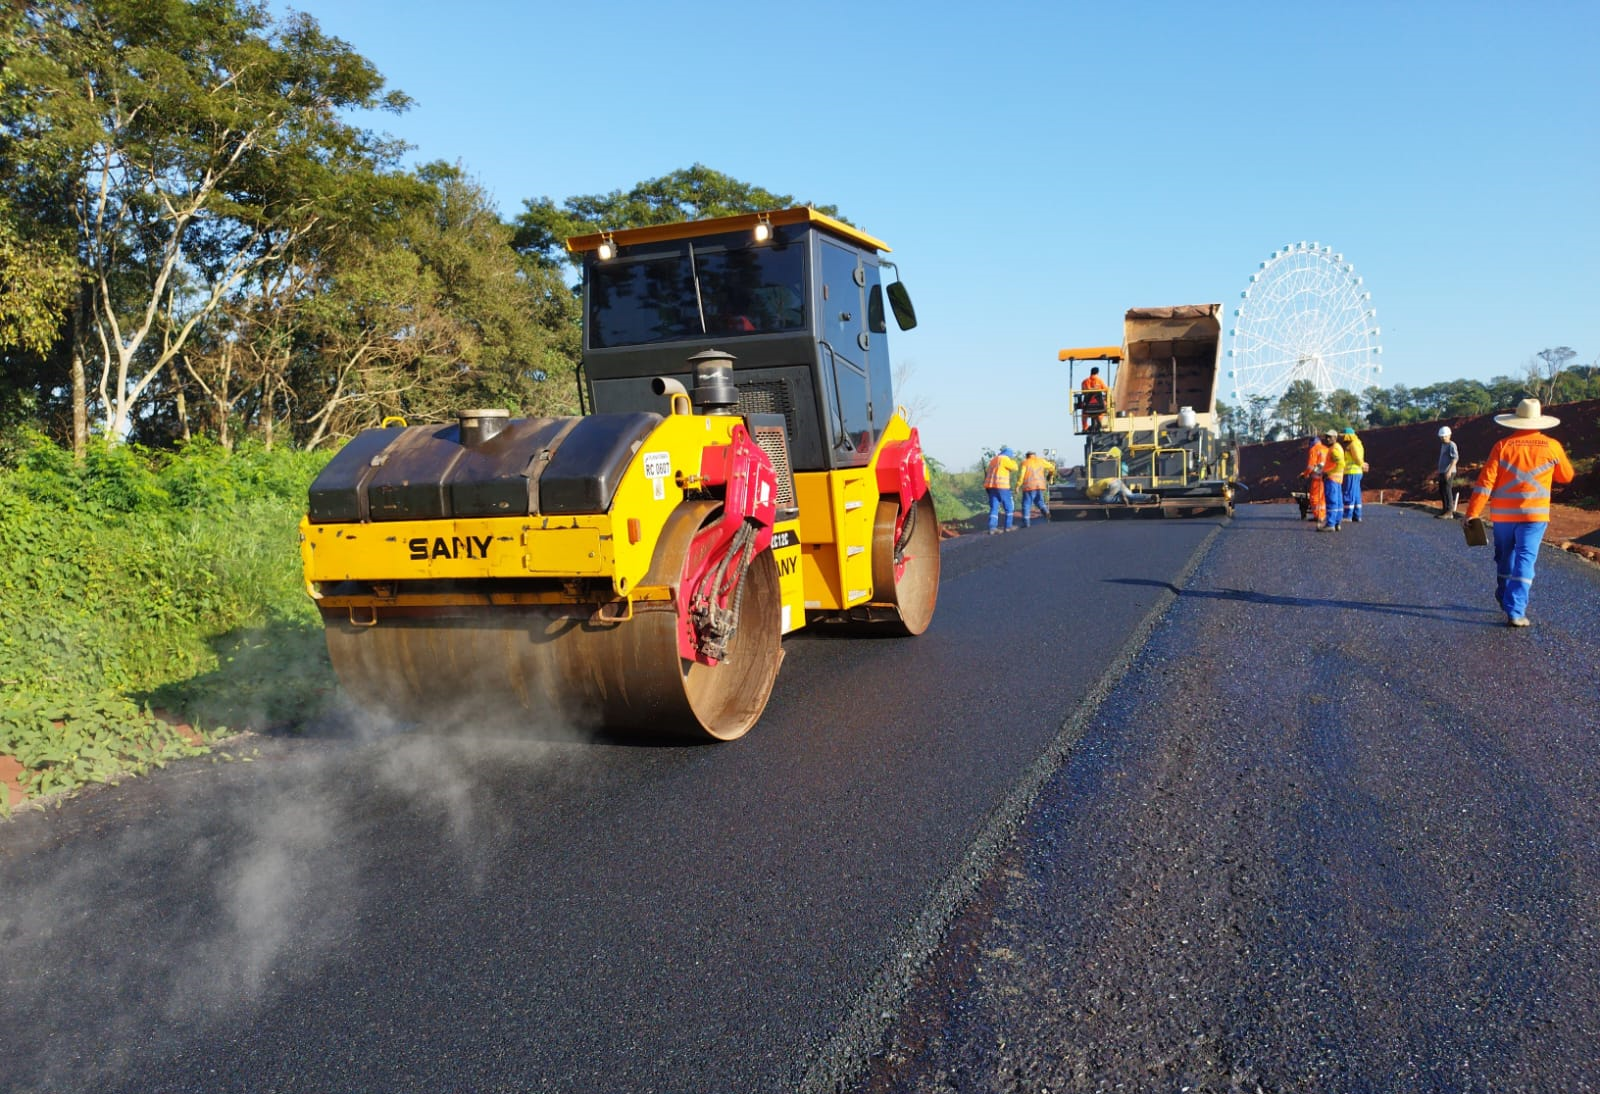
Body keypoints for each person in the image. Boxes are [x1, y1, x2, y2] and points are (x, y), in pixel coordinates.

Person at [1462, 398, 1574, 627]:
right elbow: (1567, 476)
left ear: (1515, 422)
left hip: (1503, 516)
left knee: (1506, 557)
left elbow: (1486, 483)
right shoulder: (1552, 446)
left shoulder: (1502, 446)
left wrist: (1472, 512)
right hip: (1534, 516)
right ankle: (1516, 610)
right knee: (1526, 558)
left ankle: (1504, 594)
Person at [1315, 428, 1346, 532]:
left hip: (1332, 479)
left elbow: (1341, 464)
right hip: (1337, 479)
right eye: (1326, 437)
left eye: (1330, 437)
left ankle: (1330, 524)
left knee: (1332, 501)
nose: (1327, 439)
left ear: (1335, 438)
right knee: (1338, 502)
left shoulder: (1334, 449)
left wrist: (1328, 472)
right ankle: (1337, 523)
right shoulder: (1338, 447)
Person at [984, 446, 1019, 534]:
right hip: (1002, 486)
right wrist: (1013, 461)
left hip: (991, 487)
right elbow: (1015, 468)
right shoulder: (1005, 459)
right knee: (1009, 507)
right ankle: (1008, 526)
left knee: (994, 507)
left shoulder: (994, 460)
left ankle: (992, 528)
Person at [1016, 450, 1056, 527]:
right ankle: (1046, 513)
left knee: (1026, 504)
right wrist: (1050, 474)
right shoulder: (1041, 461)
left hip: (1029, 487)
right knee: (1039, 501)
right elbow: (1052, 467)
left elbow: (1021, 476)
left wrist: (1018, 485)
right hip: (1040, 486)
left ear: (1027, 456)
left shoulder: (1025, 462)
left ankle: (1026, 523)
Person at [1339, 427, 1368, 523]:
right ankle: (1357, 515)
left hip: (1351, 472)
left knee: (1348, 493)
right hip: (1357, 472)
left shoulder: (1352, 445)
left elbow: (1357, 458)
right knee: (1355, 495)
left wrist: (1362, 464)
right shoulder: (1358, 443)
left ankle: (1347, 515)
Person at [1302, 432, 1329, 526]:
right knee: (1322, 497)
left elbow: (1310, 466)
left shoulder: (1314, 449)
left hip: (1317, 478)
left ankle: (1318, 516)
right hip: (1327, 477)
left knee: (1314, 498)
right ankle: (1322, 515)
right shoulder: (1326, 449)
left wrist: (1305, 474)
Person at [1436, 426, 1459, 518]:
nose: (1443, 438)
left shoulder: (1451, 445)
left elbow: (1455, 458)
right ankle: (1444, 510)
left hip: (1449, 472)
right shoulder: (1443, 445)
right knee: (1442, 490)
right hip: (1442, 471)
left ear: (1449, 435)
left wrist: (1449, 471)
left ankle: (1449, 511)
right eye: (1441, 437)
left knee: (1447, 490)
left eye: (1444, 436)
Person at [1079, 366, 1108, 432]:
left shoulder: (1084, 381)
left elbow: (1083, 392)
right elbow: (1106, 390)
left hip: (1087, 406)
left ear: (1091, 372)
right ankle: (1101, 423)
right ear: (1097, 373)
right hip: (1099, 406)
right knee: (1103, 409)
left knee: (1084, 414)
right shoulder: (1099, 380)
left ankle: (1085, 427)